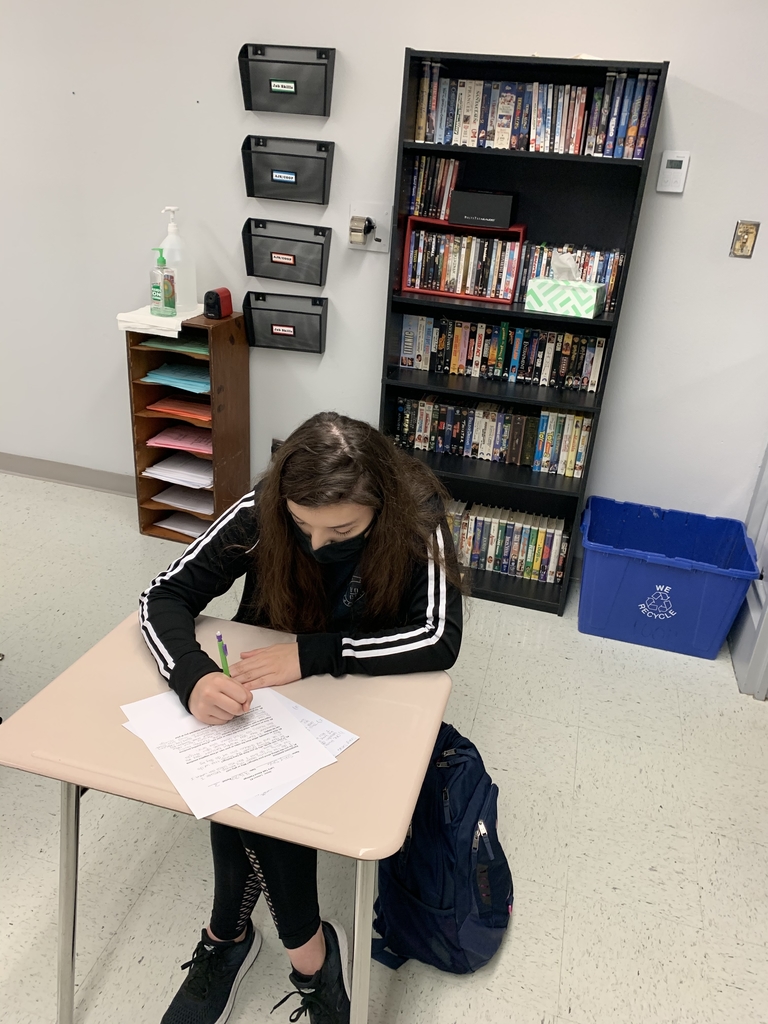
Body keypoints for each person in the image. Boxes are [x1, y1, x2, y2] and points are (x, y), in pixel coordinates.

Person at [139, 411, 464, 1024]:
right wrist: (192, 675)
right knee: (246, 784)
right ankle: (307, 959)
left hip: (361, 695)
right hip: (269, 694)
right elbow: (163, 595)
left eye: (342, 529)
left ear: (381, 506)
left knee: (248, 793)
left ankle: (233, 938)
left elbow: (439, 638)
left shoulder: (418, 515)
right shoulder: (262, 509)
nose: (317, 544)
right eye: (301, 525)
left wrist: (313, 654)